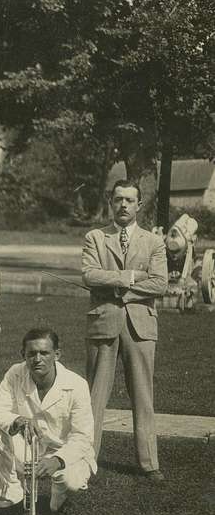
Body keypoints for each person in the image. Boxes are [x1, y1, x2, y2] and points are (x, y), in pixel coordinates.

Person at [81, 180, 168, 481]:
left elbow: (160, 283)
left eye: (130, 200)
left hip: (140, 325)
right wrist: (130, 276)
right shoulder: (95, 237)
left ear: (139, 204)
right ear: (111, 202)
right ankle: (85, 460)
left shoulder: (153, 242)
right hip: (103, 321)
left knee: (143, 395)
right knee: (94, 395)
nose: (123, 206)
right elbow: (89, 275)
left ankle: (148, 463)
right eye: (118, 200)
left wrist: (123, 291)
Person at [0, 328, 95, 514]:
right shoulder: (15, 373)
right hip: (29, 448)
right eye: (32, 353)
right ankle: (10, 500)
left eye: (44, 353)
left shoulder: (77, 384)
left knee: (70, 481)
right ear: (23, 355)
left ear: (56, 354)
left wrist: (58, 460)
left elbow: (83, 437)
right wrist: (16, 420)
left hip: (64, 451)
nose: (37, 359)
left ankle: (59, 499)